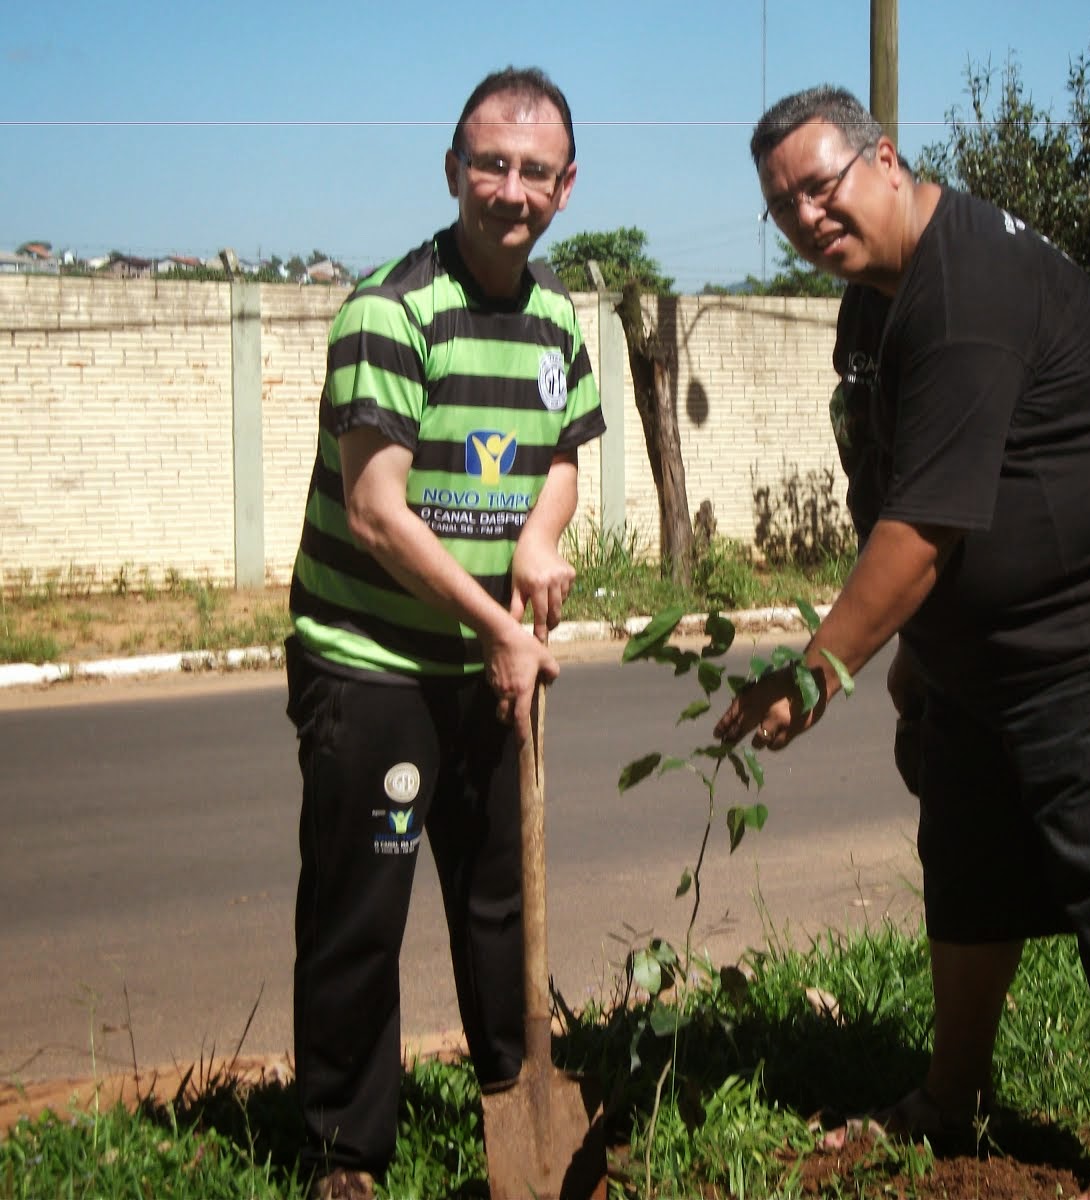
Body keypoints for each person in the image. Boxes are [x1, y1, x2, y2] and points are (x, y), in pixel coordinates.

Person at [715, 86, 1090, 1200]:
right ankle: (951, 1097)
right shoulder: (876, 297)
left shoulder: (963, 293)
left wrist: (820, 674)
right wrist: (922, 650)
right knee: (968, 855)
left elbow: (924, 526)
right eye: (782, 205)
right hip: (988, 638)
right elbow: (907, 486)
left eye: (821, 185)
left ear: (884, 160)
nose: (806, 217)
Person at [284, 66, 604, 1200]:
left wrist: (538, 538)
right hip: (371, 658)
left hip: (483, 656)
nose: (510, 190)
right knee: (360, 906)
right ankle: (343, 1150)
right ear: (454, 171)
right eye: (490, 164)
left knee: (495, 899)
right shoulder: (390, 310)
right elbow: (376, 510)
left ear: (566, 187)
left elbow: (562, 454)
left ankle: (517, 1098)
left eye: (534, 171)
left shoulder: (562, 316)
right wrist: (500, 632)